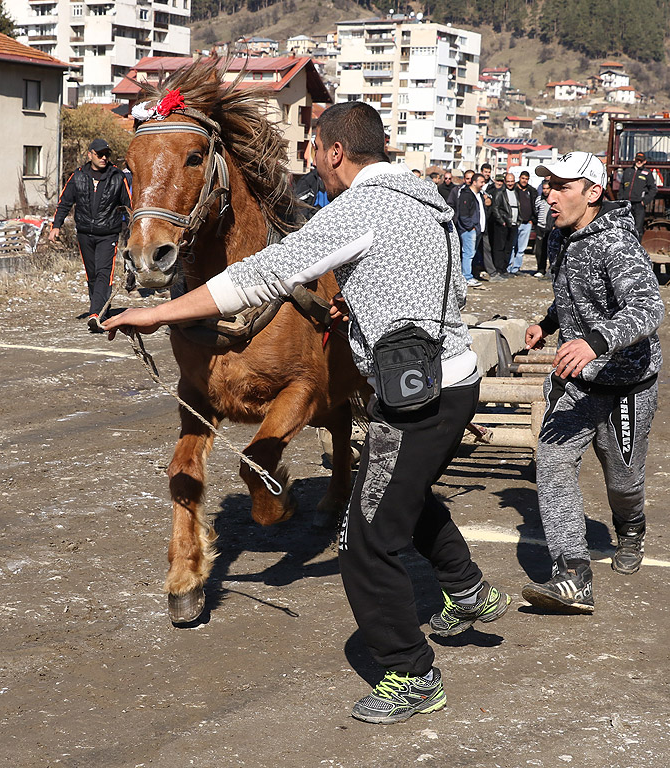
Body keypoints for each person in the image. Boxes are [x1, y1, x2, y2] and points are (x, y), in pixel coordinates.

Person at [103, 101, 511, 723]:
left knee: (363, 539)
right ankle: (471, 592)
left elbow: (261, 274)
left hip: (418, 399)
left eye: (315, 152)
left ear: (335, 151)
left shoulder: (361, 208)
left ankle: (411, 672)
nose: (312, 165)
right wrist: (369, 306)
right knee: (402, 492)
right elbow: (444, 290)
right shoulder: (428, 200)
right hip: (447, 382)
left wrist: (153, 313)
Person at [521, 151, 664, 613]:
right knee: (553, 462)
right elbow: (577, 299)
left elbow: (648, 309)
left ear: (593, 193)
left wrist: (596, 342)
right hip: (577, 383)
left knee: (622, 481)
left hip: (626, 384)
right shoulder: (564, 237)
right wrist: (548, 322)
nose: (550, 194)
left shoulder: (618, 244)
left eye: (562, 186)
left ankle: (632, 528)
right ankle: (572, 574)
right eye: (548, 185)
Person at [50, 137, 132, 332]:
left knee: (104, 273)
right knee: (93, 274)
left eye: (106, 154)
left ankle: (95, 313)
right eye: (99, 154)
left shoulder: (117, 177)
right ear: (90, 155)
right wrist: (56, 226)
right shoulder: (77, 176)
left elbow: (129, 205)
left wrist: (135, 230)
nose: (104, 158)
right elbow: (64, 203)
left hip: (108, 233)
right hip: (85, 233)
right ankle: (102, 308)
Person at [455, 171, 488, 289]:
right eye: (481, 182)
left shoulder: (479, 195)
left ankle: (469, 275)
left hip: (478, 229)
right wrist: (470, 227)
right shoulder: (466, 195)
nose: (483, 184)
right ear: (474, 182)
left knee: (472, 253)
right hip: (469, 229)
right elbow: (463, 214)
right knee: (468, 253)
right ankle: (466, 277)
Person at [617, 151, 657, 240]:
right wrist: (621, 200)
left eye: (641, 161)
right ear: (635, 160)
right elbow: (622, 186)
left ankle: (637, 247)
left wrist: (644, 201)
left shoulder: (647, 173)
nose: (639, 162)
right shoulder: (627, 171)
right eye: (637, 160)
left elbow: (653, 189)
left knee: (638, 228)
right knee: (625, 225)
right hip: (627, 204)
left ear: (645, 162)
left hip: (639, 205)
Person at [486, 173, 515, 278]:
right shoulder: (494, 191)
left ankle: (503, 268)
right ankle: (498, 268)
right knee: (498, 247)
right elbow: (495, 208)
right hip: (495, 223)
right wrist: (501, 220)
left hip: (507, 223)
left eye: (501, 181)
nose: (499, 183)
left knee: (507, 247)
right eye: (497, 181)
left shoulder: (511, 192)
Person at [509, 170, 536, 274]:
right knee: (512, 247)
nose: (524, 181)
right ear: (519, 178)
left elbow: (534, 206)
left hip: (527, 223)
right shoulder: (513, 189)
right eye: (523, 178)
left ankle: (516, 268)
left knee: (521, 248)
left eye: (526, 179)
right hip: (515, 223)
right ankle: (508, 267)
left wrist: (532, 220)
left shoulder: (531, 191)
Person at [532, 179, 556, 279]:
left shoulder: (553, 200)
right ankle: (540, 269)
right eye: (544, 189)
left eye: (547, 189)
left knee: (551, 250)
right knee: (539, 251)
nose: (545, 191)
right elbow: (536, 211)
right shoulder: (539, 199)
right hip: (540, 227)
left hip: (551, 228)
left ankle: (551, 270)